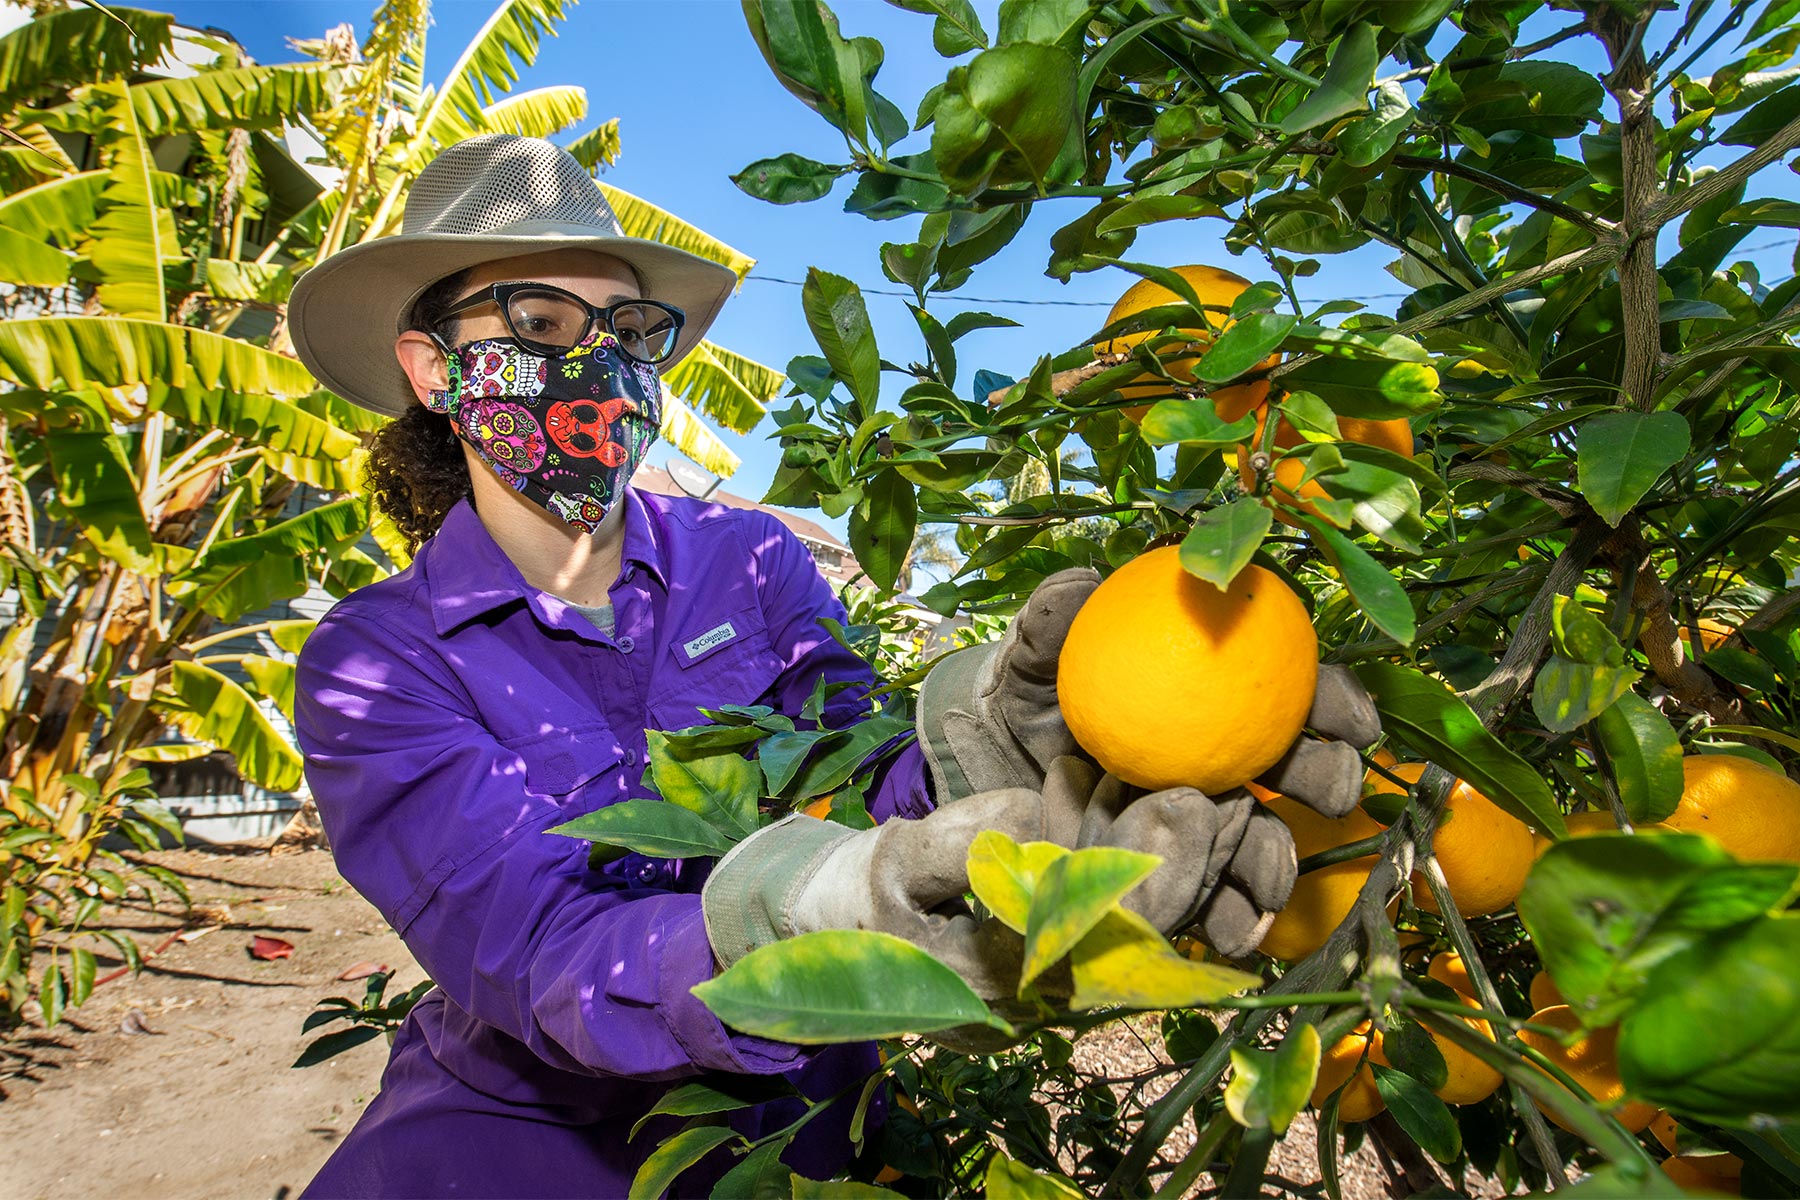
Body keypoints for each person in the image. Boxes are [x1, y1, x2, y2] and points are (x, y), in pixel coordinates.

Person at [288, 134, 1376, 1198]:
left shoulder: (749, 559)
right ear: (436, 370)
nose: (598, 358)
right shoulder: (380, 662)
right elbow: (540, 950)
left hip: (816, 1132)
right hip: (520, 1153)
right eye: (539, 320)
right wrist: (811, 912)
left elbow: (856, 780)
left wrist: (1000, 734)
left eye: (627, 326)